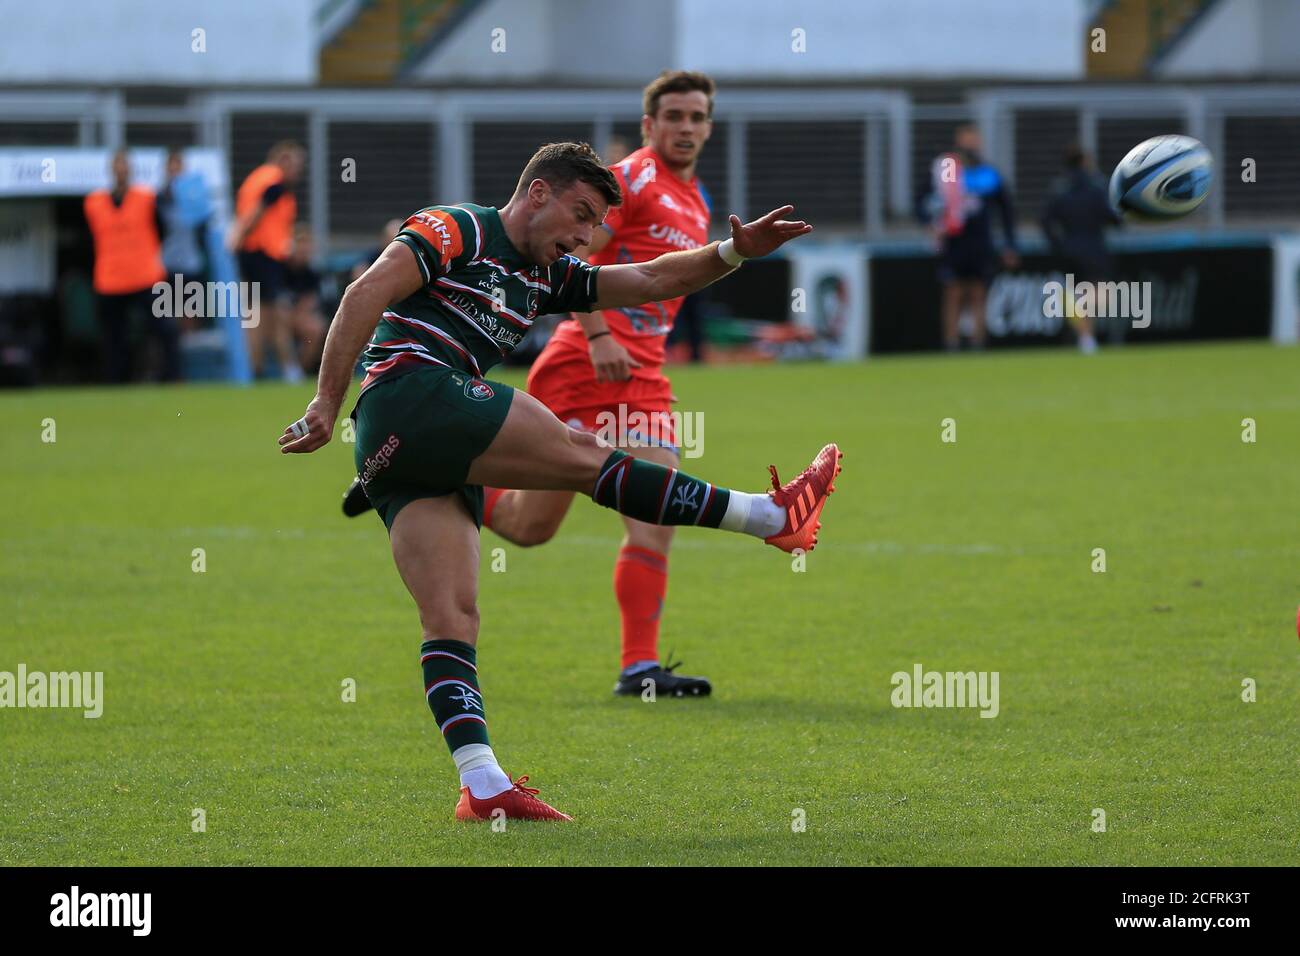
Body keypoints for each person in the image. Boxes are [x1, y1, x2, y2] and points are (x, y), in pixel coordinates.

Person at [279, 142, 838, 822]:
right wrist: (324, 403)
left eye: (597, 225)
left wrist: (732, 253)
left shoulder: (550, 276)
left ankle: (480, 785)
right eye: (580, 215)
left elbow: (654, 280)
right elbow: (365, 291)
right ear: (538, 193)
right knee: (581, 453)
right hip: (413, 392)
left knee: (452, 618)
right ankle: (771, 518)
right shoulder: (459, 227)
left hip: (393, 451)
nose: (585, 235)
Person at [344, 71, 723, 698]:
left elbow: (655, 278)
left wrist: (730, 252)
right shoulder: (631, 179)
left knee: (590, 521)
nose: (686, 127)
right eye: (674, 116)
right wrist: (599, 335)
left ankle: (638, 667)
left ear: (709, 126)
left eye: (697, 117)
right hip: (588, 361)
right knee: (581, 518)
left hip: (644, 371)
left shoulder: (697, 198)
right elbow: (575, 258)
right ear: (649, 125)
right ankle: (430, 468)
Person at [83, 149, 177, 382]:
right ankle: (117, 381)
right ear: (111, 170)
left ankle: (172, 377)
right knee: (114, 336)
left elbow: (162, 229)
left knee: (164, 330)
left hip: (146, 275)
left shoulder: (146, 198)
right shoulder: (94, 202)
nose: (121, 170)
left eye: (124, 165)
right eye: (117, 165)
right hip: (110, 278)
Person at [925, 124, 1018, 350]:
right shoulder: (946, 170)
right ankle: (951, 342)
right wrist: (931, 223)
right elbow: (927, 199)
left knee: (978, 292)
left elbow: (1006, 209)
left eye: (973, 139)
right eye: (966, 139)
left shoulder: (988, 173)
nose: (970, 144)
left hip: (980, 242)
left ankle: (977, 341)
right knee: (953, 291)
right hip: (954, 241)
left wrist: (1010, 244)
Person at [229, 141, 306, 381]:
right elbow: (256, 213)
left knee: (256, 314)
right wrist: (237, 236)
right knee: (274, 313)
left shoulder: (259, 177)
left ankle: (257, 367)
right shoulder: (274, 183)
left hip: (253, 253)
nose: (297, 172)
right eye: (294, 165)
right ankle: (285, 368)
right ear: (282, 161)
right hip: (261, 254)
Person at [1040, 144, 1122, 354]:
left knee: (1075, 295)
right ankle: (1086, 337)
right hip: (1093, 248)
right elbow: (1113, 218)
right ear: (1084, 161)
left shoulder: (1059, 189)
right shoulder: (1096, 187)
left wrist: (1057, 245)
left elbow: (1045, 221)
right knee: (1097, 295)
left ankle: (1085, 335)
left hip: (1068, 249)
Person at [157, 147, 211, 330]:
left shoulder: (195, 195)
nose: (175, 172)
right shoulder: (160, 197)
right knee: (166, 313)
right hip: (167, 264)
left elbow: (204, 225)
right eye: (171, 168)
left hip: (191, 264)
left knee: (190, 311)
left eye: (178, 168)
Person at [284, 224, 329, 372]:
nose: (303, 250)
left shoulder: (311, 274)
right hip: (280, 319)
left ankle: (300, 373)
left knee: (316, 328)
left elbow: (309, 303)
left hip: (299, 317)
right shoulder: (280, 270)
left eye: (306, 245)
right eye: (299, 244)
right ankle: (287, 368)